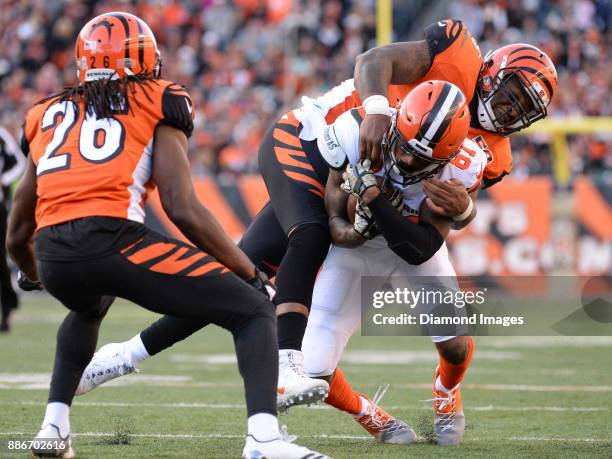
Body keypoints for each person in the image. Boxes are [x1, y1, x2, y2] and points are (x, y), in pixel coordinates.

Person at [75, 19, 557, 417]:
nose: (511, 110)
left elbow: (435, 228)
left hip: (362, 188)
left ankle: (122, 356)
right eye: (513, 93)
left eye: (524, 109)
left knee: (236, 277)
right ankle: (288, 368)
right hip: (320, 146)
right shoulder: (432, 71)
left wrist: (463, 208)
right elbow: (372, 65)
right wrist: (375, 112)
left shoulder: (486, 156)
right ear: (492, 72)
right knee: (305, 236)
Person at [6, 11, 328, 459]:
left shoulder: (42, 114)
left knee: (88, 305)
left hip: (54, 252)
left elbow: (18, 230)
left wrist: (34, 272)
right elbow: (182, 207)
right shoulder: (158, 97)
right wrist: (247, 270)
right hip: (113, 238)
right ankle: (264, 442)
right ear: (145, 60)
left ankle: (52, 428)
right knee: (253, 309)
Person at [302, 79, 486, 446]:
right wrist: (352, 233)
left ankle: (446, 390)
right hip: (359, 251)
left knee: (456, 345)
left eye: (421, 159)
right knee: (314, 367)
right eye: (403, 147)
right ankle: (368, 414)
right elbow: (335, 220)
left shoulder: (461, 167)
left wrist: (376, 201)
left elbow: (421, 249)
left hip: (415, 247)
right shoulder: (357, 130)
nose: (405, 160)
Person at [0, 126, 25, 332]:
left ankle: (7, 309)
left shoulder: (1, 135)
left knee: (1, 261)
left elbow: (19, 162)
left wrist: (4, 180)